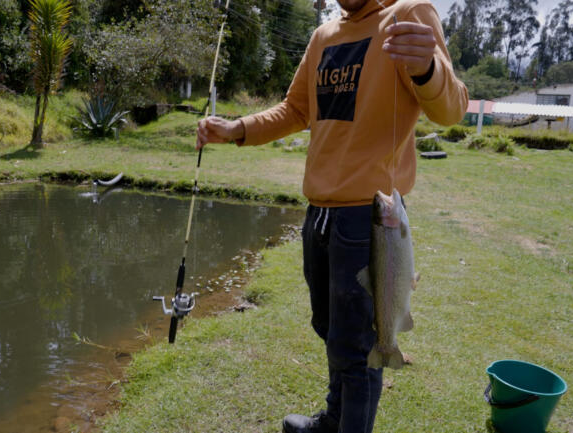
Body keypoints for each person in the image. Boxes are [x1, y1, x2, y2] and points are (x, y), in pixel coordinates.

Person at [196, 0, 467, 432]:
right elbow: (296, 110)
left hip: (371, 220)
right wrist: (238, 128)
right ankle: (335, 419)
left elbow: (452, 109)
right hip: (319, 215)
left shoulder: (408, 14)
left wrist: (428, 69)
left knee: (358, 350)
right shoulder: (324, 35)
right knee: (330, 330)